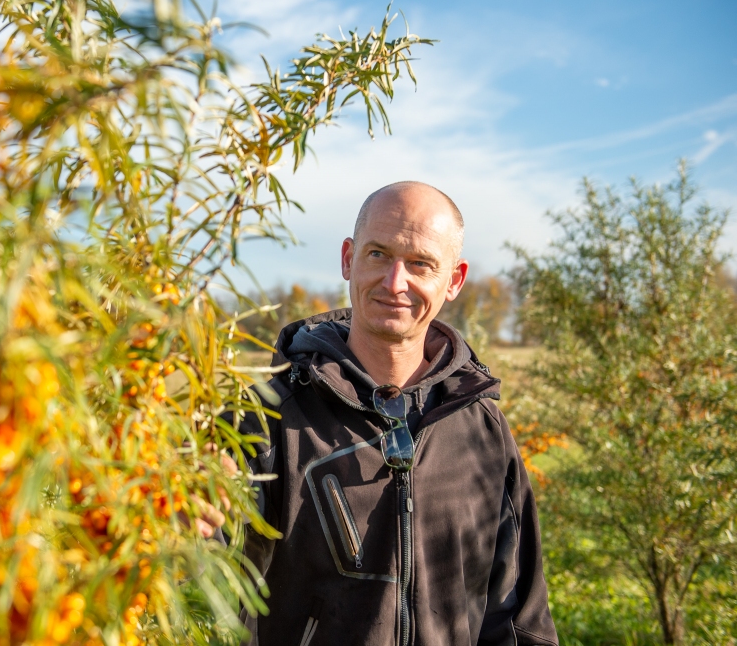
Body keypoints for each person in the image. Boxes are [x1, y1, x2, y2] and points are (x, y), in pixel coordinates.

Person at [236, 182, 559, 646]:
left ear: (454, 280)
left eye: (421, 264)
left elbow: (518, 616)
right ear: (348, 258)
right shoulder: (267, 417)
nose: (394, 282)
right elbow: (204, 565)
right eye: (378, 255)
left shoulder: (482, 428)